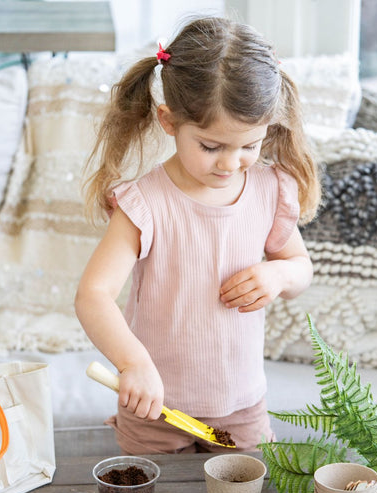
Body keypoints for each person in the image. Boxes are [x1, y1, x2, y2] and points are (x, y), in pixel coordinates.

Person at [75, 16, 320, 454]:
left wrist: (278, 277)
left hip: (242, 405)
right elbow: (93, 295)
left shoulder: (268, 188)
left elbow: (301, 268)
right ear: (168, 121)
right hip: (155, 406)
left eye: (249, 145)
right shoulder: (144, 203)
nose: (230, 164)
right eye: (211, 147)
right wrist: (134, 364)